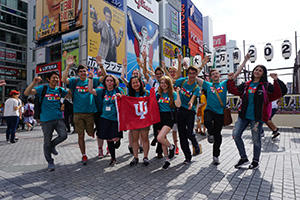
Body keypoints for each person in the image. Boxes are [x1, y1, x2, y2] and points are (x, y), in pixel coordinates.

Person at [227, 65, 286, 170]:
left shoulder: (266, 86)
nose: (257, 71)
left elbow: (280, 92)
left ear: (263, 74)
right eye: (256, 70)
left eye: (260, 70)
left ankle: (255, 161)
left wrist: (276, 80)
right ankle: (244, 158)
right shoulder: (246, 84)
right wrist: (231, 80)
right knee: (236, 135)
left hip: (256, 118)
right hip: (243, 116)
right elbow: (234, 91)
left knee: (256, 140)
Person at [195, 54, 250, 165]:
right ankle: (209, 133)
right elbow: (194, 76)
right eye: (213, 74)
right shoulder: (207, 85)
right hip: (209, 110)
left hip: (220, 113)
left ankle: (216, 156)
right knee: (207, 121)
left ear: (219, 75)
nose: (215, 75)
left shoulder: (224, 84)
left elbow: (237, 73)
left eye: (216, 73)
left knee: (218, 135)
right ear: (210, 77)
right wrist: (202, 64)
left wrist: (245, 60)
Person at [24, 72, 68, 171]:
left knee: (63, 135)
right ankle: (50, 161)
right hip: (46, 120)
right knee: (46, 142)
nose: (56, 79)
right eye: (54, 78)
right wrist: (33, 83)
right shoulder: (42, 89)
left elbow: (68, 95)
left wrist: (63, 104)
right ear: (48, 79)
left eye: (57, 78)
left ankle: (53, 145)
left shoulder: (60, 90)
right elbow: (27, 93)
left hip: (58, 118)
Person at [62, 56, 99, 165]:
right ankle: (83, 155)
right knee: (81, 135)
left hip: (90, 113)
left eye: (85, 71)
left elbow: (105, 78)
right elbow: (64, 80)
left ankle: (92, 131)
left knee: (90, 132)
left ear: (87, 72)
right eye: (81, 71)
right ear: (78, 73)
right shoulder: (75, 81)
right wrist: (68, 66)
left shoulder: (92, 80)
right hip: (77, 113)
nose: (83, 73)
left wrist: (101, 66)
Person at [88, 73, 124, 166]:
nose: (109, 82)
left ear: (114, 82)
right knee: (109, 139)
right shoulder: (102, 91)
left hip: (115, 118)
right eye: (107, 81)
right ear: (105, 82)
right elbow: (90, 90)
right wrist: (90, 78)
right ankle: (113, 158)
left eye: (111, 81)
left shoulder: (118, 90)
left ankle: (118, 139)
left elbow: (124, 101)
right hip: (105, 118)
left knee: (114, 138)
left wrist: (121, 97)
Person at [174, 65, 201, 164]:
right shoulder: (183, 81)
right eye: (190, 73)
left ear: (196, 74)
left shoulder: (196, 87)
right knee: (182, 136)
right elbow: (173, 81)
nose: (191, 75)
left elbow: (193, 97)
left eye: (194, 73)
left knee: (189, 133)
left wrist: (191, 101)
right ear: (187, 74)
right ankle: (187, 156)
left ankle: (195, 143)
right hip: (180, 111)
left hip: (190, 111)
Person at [156, 76, 181, 170]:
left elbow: (178, 105)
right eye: (161, 82)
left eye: (165, 82)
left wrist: (177, 92)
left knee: (160, 137)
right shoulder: (158, 94)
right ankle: (167, 160)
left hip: (169, 118)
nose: (163, 84)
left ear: (168, 83)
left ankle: (171, 147)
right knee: (163, 139)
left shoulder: (172, 93)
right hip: (159, 118)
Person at [126, 76, 152, 166]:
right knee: (134, 139)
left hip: (144, 120)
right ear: (131, 85)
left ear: (141, 83)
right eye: (133, 83)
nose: (135, 84)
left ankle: (145, 157)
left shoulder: (147, 93)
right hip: (134, 121)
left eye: (137, 82)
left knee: (145, 139)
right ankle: (135, 157)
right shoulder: (129, 95)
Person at [127, 10, 159, 74]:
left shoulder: (148, 42)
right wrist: (130, 18)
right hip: (141, 56)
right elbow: (134, 30)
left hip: (146, 58)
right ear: (142, 32)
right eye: (143, 32)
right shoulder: (140, 39)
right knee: (141, 73)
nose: (144, 33)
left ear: (147, 33)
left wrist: (156, 33)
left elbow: (153, 38)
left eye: (145, 32)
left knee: (146, 73)